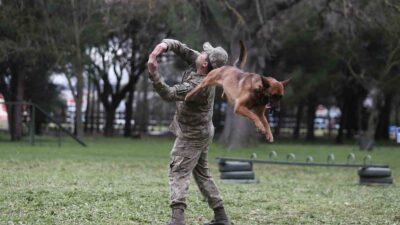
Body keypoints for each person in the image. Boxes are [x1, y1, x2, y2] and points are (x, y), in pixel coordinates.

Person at [147, 39, 230, 225]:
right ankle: (221, 217)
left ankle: (177, 220)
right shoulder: (202, 64)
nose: (200, 52)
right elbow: (182, 49)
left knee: (178, 171)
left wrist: (153, 73)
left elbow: (169, 94)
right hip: (202, 131)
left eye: (204, 52)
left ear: (205, 63)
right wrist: (164, 45)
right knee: (202, 174)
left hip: (192, 135)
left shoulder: (199, 86)